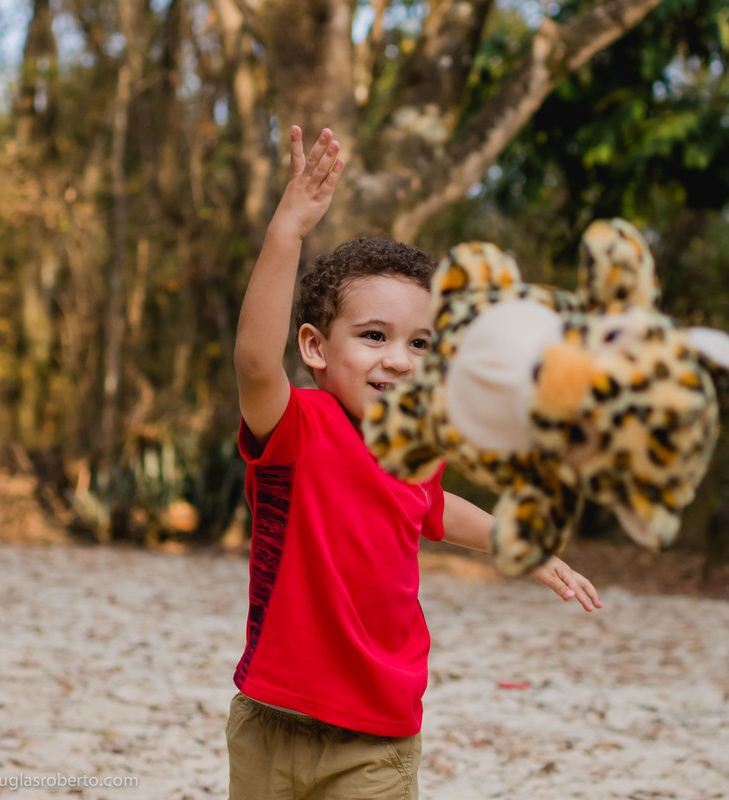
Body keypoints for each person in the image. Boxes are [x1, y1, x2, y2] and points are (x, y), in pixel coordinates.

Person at [226, 125, 602, 800]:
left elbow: (433, 508)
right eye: (374, 337)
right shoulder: (299, 429)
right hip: (271, 725)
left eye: (420, 344)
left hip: (376, 741)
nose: (399, 361)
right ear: (315, 347)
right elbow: (255, 362)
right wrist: (288, 229)